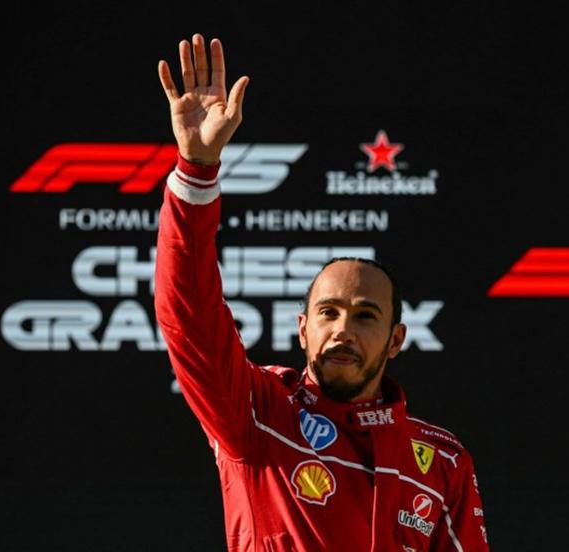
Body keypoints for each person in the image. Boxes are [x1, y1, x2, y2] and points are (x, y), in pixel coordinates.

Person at [155, 33, 489, 552]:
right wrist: (196, 172)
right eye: (328, 312)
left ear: (396, 339)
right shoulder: (258, 414)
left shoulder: (441, 459)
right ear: (303, 328)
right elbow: (191, 318)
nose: (342, 330)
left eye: (364, 316)